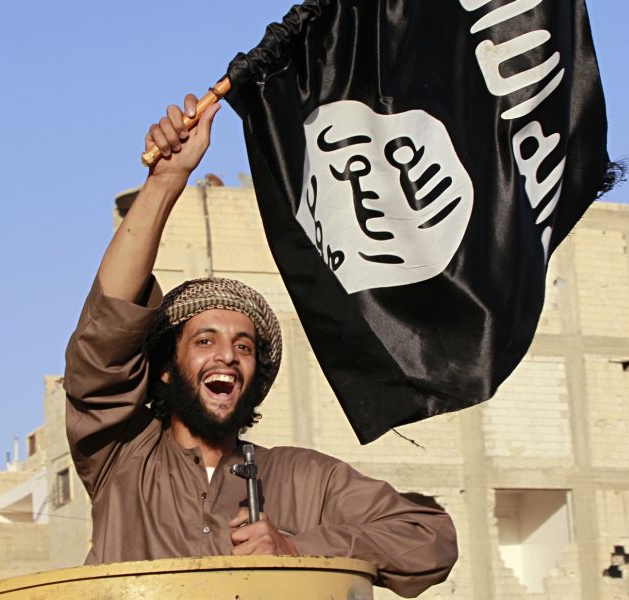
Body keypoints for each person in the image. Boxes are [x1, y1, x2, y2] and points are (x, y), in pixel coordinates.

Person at [64, 94, 458, 597]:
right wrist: (165, 182)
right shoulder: (123, 459)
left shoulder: (302, 478)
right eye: (205, 340)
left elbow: (430, 538)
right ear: (166, 368)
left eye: (244, 346)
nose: (227, 355)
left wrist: (298, 550)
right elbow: (104, 334)